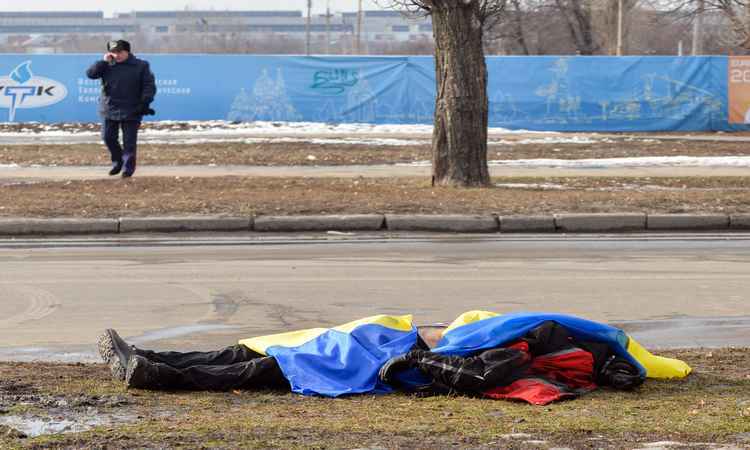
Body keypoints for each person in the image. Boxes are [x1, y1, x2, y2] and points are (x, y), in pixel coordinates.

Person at [86, 40, 156, 178]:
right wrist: (103, 62)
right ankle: (118, 161)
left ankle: (127, 168)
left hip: (132, 109)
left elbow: (149, 85)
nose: (117, 55)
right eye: (113, 52)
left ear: (127, 51)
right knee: (108, 138)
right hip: (109, 108)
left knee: (129, 142)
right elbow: (90, 74)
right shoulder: (106, 65)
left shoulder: (141, 65)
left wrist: (145, 102)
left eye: (120, 52)